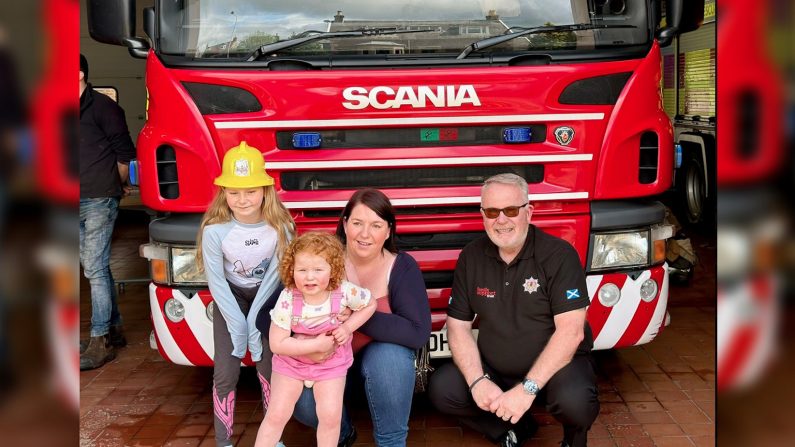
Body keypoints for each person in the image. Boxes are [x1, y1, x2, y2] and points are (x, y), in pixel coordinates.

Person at [428, 173, 599, 447]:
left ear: (528, 212)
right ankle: (511, 429)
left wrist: (528, 389)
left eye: (510, 210)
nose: (501, 220)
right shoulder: (471, 257)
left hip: (556, 371)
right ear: (482, 214)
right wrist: (477, 381)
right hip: (496, 370)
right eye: (492, 211)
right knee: (443, 389)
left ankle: (574, 439)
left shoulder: (559, 255)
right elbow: (458, 326)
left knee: (575, 401)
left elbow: (571, 332)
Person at [256, 188, 432, 446]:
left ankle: (392, 441)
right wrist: (309, 344)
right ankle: (341, 433)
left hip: (380, 374)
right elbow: (265, 318)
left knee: (390, 357)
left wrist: (352, 318)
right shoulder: (319, 264)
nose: (365, 234)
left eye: (376, 225)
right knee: (304, 404)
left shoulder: (401, 267)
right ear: (345, 224)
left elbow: (417, 332)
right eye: (357, 223)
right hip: (327, 369)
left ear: (388, 230)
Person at [196, 141, 295, 447]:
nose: (242, 199)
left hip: (268, 300)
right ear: (223, 192)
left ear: (265, 190)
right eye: (234, 191)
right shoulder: (214, 231)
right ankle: (223, 442)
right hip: (231, 300)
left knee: (268, 364)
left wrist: (254, 322)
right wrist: (238, 324)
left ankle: (273, 439)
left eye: (250, 191)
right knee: (225, 372)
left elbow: (275, 279)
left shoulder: (282, 228)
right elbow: (217, 282)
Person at [255, 232, 376, 447]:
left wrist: (348, 327)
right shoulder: (289, 298)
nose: (309, 277)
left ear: (333, 269)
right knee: (276, 415)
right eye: (302, 270)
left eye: (318, 270)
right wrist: (317, 345)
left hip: (331, 365)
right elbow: (277, 343)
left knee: (330, 417)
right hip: (291, 364)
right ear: (291, 270)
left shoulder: (344, 292)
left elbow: (370, 304)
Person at [79, 53, 136, 370]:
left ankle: (99, 339)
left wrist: (118, 184)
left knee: (94, 269)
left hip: (99, 197)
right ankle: (114, 328)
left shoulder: (104, 107)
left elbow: (125, 153)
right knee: (94, 264)